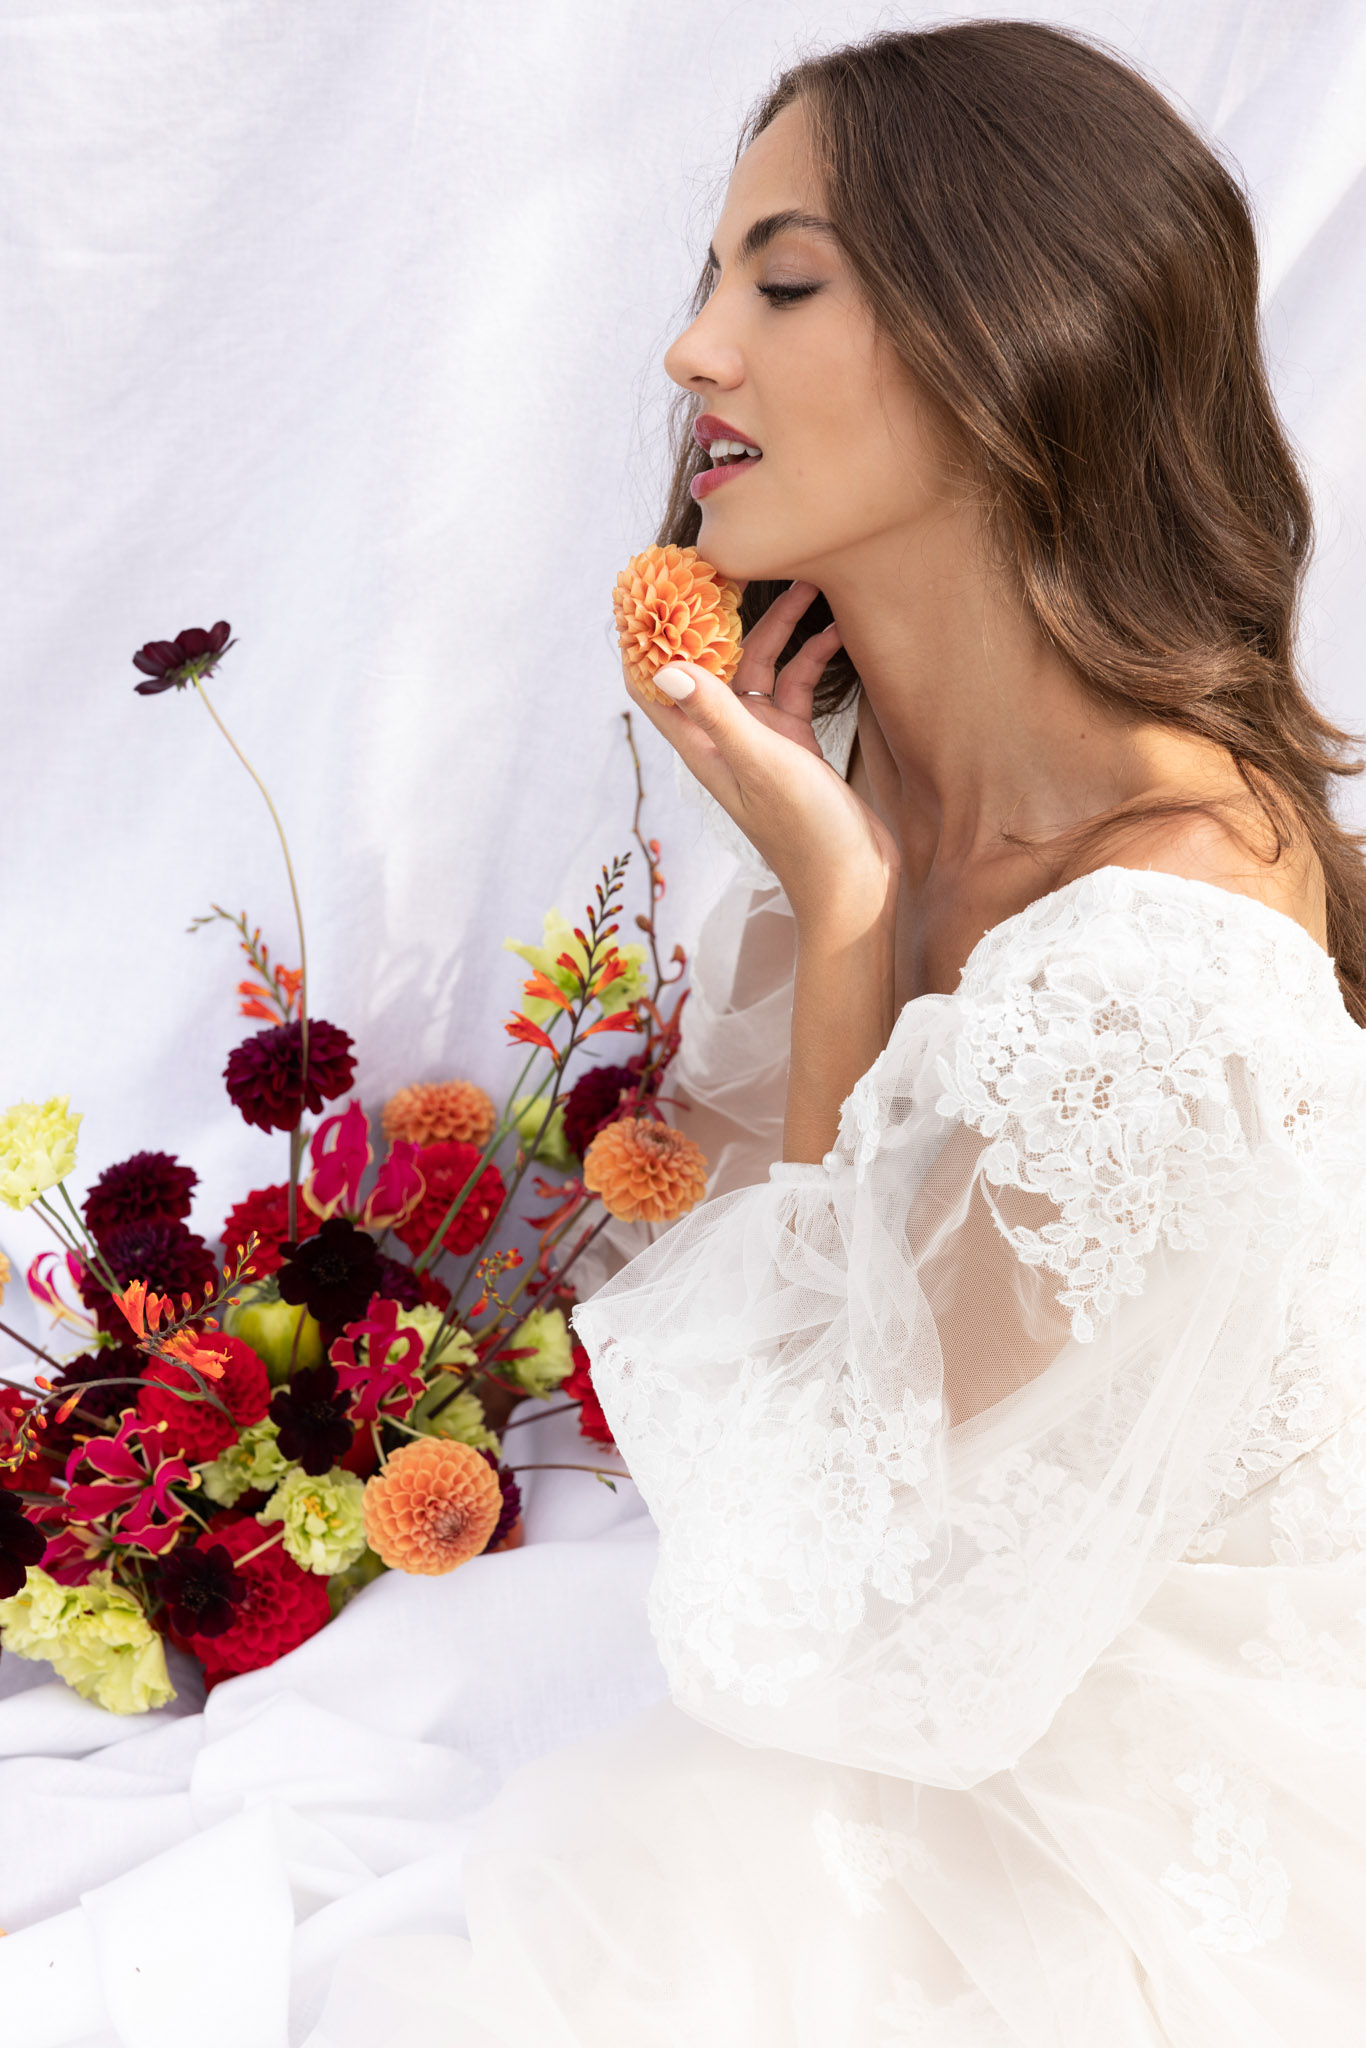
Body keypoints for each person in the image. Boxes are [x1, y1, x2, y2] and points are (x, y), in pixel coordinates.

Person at [422, 21, 1366, 2044]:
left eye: (779, 281)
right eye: (707, 283)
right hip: (911, 1661)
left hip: (1133, 1794)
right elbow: (794, 1418)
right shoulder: (867, 790)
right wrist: (839, 885)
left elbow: (845, 1601)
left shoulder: (1158, 954)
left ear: (1004, 332)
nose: (693, 356)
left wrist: (847, 921)